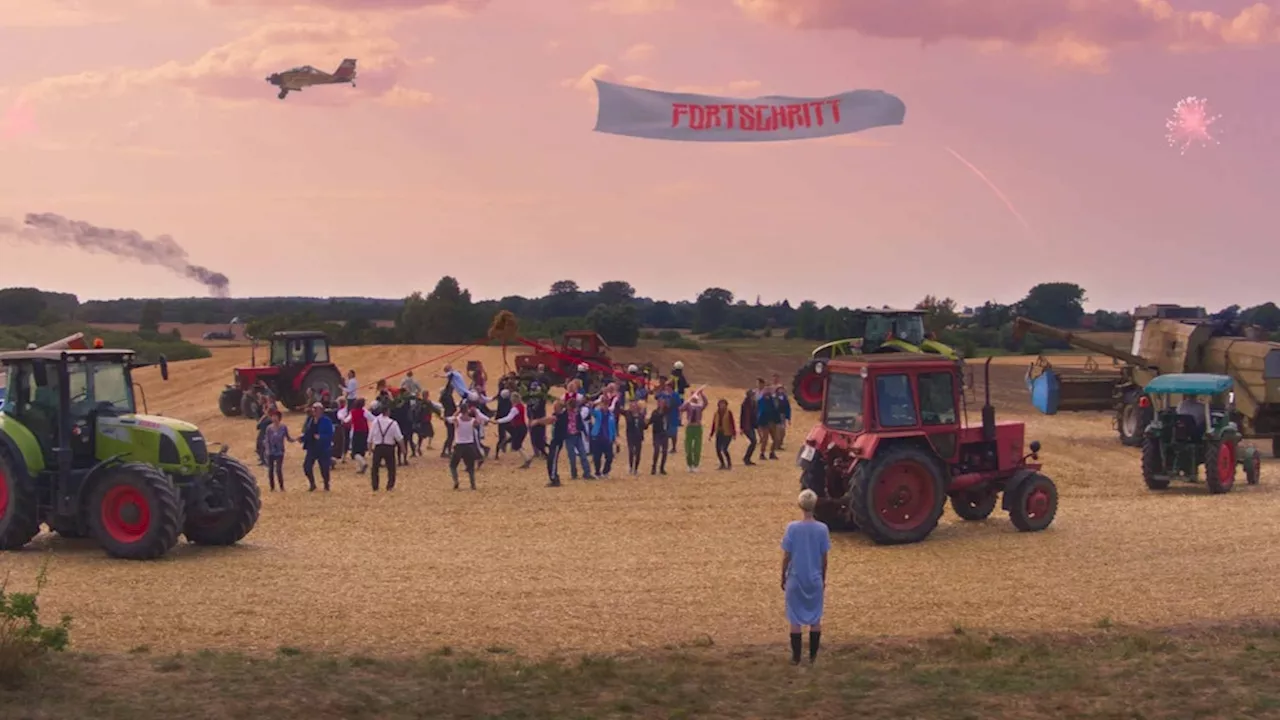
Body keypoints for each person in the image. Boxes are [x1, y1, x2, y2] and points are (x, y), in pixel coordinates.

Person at [781, 489, 830, 665]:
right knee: (815, 618)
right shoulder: (822, 529)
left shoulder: (792, 528)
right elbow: (824, 558)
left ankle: (796, 658)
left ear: (800, 505)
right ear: (815, 505)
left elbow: (787, 556)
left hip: (796, 578)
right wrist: (823, 579)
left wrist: (783, 576)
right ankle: (813, 657)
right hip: (814, 578)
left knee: (795, 618)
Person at [446, 401, 486, 490]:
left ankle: (456, 481)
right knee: (470, 467)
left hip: (459, 445)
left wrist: (457, 411)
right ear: (467, 411)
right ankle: (473, 484)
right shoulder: (472, 420)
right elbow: (479, 421)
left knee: (453, 466)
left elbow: (451, 418)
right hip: (470, 445)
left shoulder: (457, 420)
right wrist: (475, 412)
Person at [368, 401, 404, 491]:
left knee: (375, 468)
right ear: (388, 412)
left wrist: (369, 448)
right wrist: (403, 449)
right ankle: (390, 485)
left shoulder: (376, 422)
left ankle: (375, 485)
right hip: (389, 447)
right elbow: (399, 438)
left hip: (378, 446)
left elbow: (370, 436)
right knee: (391, 468)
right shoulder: (393, 423)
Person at [532, 400, 568, 487]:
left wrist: (537, 421)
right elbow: (549, 420)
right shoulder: (557, 414)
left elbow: (550, 419)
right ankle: (553, 478)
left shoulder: (562, 415)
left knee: (553, 460)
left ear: (559, 408)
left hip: (557, 441)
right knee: (550, 460)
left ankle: (554, 479)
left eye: (555, 407)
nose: (554, 409)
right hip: (554, 441)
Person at [300, 402, 334, 492]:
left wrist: (321, 437)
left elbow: (330, 434)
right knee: (307, 467)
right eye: (313, 408)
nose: (314, 410)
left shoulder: (327, 421)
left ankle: (326, 484)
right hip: (312, 448)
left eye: (316, 409)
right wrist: (302, 438)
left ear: (321, 410)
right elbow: (308, 433)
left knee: (324, 468)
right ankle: (312, 484)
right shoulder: (310, 420)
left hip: (323, 448)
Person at [495, 391, 535, 469]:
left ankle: (528, 459)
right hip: (522, 427)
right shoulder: (521, 406)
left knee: (516, 445)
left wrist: (498, 421)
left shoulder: (515, 408)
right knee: (517, 444)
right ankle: (527, 459)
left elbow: (508, 418)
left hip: (519, 428)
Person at [263, 409, 295, 491]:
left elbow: (288, 438)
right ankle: (272, 487)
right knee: (270, 470)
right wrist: (267, 450)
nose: (274, 418)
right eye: (273, 416)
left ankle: (281, 487)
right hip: (271, 452)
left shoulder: (283, 427)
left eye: (276, 416)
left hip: (280, 451)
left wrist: (296, 439)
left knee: (278, 470)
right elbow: (267, 440)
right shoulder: (269, 428)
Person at [564, 396, 594, 480]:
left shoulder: (577, 414)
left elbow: (580, 424)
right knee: (572, 457)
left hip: (577, 436)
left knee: (583, 454)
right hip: (569, 437)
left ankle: (587, 473)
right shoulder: (564, 415)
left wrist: (585, 434)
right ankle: (574, 473)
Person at [589, 396, 618, 478]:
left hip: (607, 438)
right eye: (603, 404)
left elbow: (613, 427)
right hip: (597, 437)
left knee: (609, 456)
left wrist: (614, 438)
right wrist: (595, 403)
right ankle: (597, 472)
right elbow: (591, 410)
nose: (604, 406)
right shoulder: (597, 412)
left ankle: (605, 471)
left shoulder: (611, 415)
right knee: (597, 457)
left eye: (606, 404)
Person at [681, 388, 707, 472]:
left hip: (697, 427)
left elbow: (706, 403)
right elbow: (681, 408)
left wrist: (702, 394)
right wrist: (688, 401)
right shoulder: (688, 405)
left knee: (697, 447)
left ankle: (696, 464)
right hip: (690, 427)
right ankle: (689, 464)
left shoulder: (699, 406)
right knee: (688, 447)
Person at [709, 397, 737, 470]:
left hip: (727, 433)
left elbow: (732, 423)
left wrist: (734, 433)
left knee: (724, 449)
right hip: (719, 432)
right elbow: (714, 424)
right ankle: (722, 464)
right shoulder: (716, 413)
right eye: (721, 404)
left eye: (723, 404)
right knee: (718, 450)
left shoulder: (729, 412)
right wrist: (711, 434)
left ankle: (729, 464)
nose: (722, 406)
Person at [624, 400, 648, 476]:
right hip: (630, 436)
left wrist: (646, 421)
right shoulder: (628, 414)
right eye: (632, 406)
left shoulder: (641, 415)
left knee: (638, 453)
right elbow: (629, 421)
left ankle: (636, 468)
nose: (633, 408)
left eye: (635, 406)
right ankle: (631, 467)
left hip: (638, 436)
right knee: (631, 451)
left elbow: (644, 427)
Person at [757, 387, 781, 461]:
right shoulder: (761, 401)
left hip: (772, 422)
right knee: (765, 439)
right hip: (765, 422)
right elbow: (761, 412)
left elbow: (775, 410)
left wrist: (776, 421)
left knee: (775, 439)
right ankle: (762, 453)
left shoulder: (772, 401)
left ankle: (772, 453)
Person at [526, 383, 548, 459]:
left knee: (541, 436)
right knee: (533, 436)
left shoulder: (541, 398)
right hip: (532, 418)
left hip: (540, 418)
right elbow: (528, 408)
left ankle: (543, 452)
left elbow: (537, 408)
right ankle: (536, 452)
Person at [649, 397, 670, 475]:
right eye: (660, 402)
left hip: (664, 434)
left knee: (664, 451)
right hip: (657, 434)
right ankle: (654, 467)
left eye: (662, 403)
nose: (661, 404)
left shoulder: (666, 411)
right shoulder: (655, 412)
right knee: (657, 450)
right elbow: (651, 421)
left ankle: (662, 467)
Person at [349, 397, 370, 473]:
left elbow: (347, 420)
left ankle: (363, 463)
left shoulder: (352, 412)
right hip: (364, 432)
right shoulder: (365, 411)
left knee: (354, 452)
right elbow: (373, 418)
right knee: (361, 451)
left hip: (356, 432)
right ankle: (360, 468)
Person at [740, 388, 758, 466]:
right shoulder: (745, 404)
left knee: (754, 442)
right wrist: (742, 427)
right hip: (747, 426)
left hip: (751, 425)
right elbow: (742, 416)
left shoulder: (753, 403)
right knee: (753, 441)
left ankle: (747, 458)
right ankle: (746, 458)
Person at [438, 388, 458, 458]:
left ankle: (446, 451)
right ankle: (446, 451)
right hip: (449, 418)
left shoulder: (446, 399)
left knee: (450, 435)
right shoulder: (446, 399)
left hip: (449, 417)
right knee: (450, 436)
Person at [333, 396, 350, 463]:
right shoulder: (346, 409)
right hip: (346, 427)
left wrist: (344, 420)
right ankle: (343, 457)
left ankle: (342, 456)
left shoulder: (339, 411)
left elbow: (340, 418)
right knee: (345, 441)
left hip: (342, 427)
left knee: (342, 441)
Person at [775, 388, 792, 452]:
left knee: (783, 432)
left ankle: (779, 444)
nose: (781, 391)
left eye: (782, 389)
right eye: (779, 389)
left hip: (783, 416)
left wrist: (789, 418)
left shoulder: (785, 398)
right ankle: (776, 445)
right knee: (778, 431)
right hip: (776, 417)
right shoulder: (774, 398)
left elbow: (788, 409)